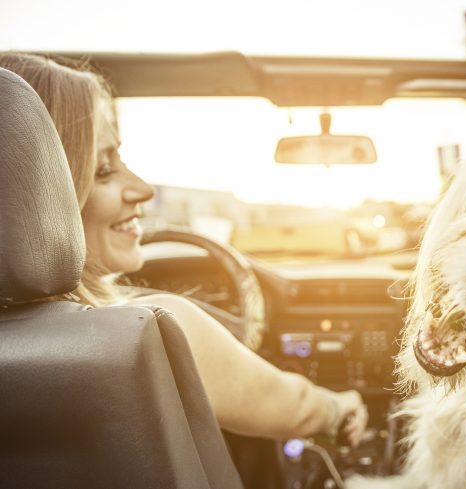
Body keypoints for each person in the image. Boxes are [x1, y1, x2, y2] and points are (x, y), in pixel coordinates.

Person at [0, 53, 368, 446]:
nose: (143, 189)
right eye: (104, 168)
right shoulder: (153, 330)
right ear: (33, 193)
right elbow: (290, 405)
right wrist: (338, 407)